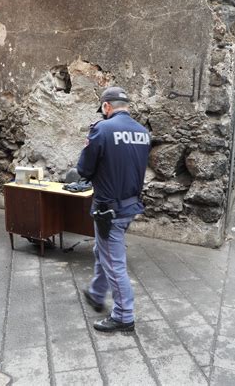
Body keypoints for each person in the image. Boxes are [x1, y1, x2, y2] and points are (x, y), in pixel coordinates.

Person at [77, 87, 151, 333]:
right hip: (130, 205)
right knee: (104, 250)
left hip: (109, 209)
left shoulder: (102, 129)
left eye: (103, 109)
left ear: (106, 106)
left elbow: (84, 170)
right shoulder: (143, 133)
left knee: (114, 262)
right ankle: (97, 293)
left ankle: (123, 316)